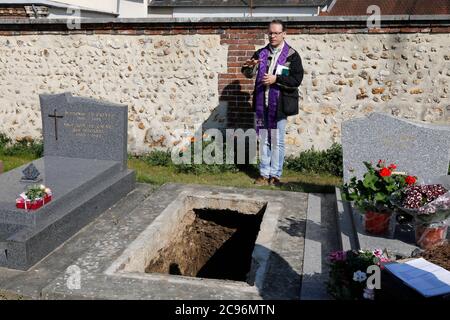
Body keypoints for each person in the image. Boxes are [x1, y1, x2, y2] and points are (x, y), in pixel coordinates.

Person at [241, 20, 304, 186]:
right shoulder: (261, 53)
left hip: (280, 105)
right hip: (262, 103)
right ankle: (263, 174)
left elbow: (296, 79)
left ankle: (275, 175)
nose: (273, 36)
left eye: (276, 33)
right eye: (270, 33)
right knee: (263, 139)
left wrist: (276, 79)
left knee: (277, 140)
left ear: (284, 34)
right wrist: (249, 67)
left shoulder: (292, 55)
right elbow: (248, 73)